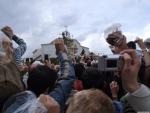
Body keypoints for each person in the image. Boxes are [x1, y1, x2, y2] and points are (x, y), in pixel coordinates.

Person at [2, 39, 76, 113]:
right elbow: (67, 77)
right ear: (47, 89)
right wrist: (62, 52)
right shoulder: (47, 105)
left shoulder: (14, 101)